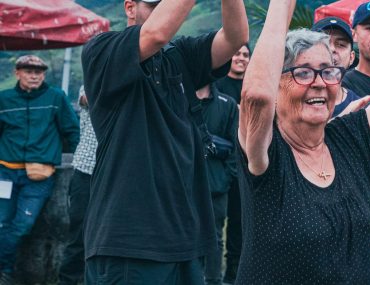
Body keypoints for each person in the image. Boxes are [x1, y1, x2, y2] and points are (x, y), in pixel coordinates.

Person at [236, 0, 370, 283]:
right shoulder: (267, 150)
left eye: (328, 71)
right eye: (302, 72)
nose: (319, 82)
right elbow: (256, 96)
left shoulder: (350, 138)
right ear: (275, 84)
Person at [80, 0, 248, 283]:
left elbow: (235, 38)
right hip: (129, 243)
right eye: (154, 4)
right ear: (130, 8)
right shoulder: (102, 51)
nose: (163, 9)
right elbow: (155, 34)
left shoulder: (179, 55)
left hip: (185, 237)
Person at [0, 55, 80, 284]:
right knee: (2, 223)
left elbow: (71, 131)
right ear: (17, 73)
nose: (34, 75)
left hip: (39, 175)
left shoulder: (56, 97)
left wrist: (80, 162)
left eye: (39, 71)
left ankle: (5, 269)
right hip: (5, 172)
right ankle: (5, 272)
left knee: (22, 226)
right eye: (28, 70)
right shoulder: (4, 99)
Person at [212, 44, 249, 285]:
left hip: (245, 164)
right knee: (214, 225)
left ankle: (232, 276)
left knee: (239, 224)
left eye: (246, 55)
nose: (241, 58)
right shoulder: (217, 86)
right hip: (222, 163)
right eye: (237, 53)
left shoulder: (253, 85)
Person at [195, 84, 238, 285]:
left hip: (216, 186)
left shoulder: (226, 104)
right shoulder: (181, 98)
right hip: (184, 186)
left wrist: (224, 178)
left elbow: (236, 147)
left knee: (214, 237)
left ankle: (213, 280)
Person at [57, 86, 97, 285]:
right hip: (87, 171)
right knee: (79, 236)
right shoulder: (92, 81)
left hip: (118, 174)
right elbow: (86, 99)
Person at [311, 16, 370, 117]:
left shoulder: (360, 108)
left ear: (351, 57)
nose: (332, 49)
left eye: (340, 44)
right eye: (323, 42)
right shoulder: (292, 99)